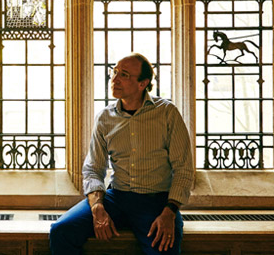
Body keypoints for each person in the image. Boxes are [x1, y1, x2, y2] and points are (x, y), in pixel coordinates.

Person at [50, 53, 194, 254]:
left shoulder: (167, 113)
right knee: (61, 231)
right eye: (115, 72)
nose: (114, 79)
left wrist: (170, 212)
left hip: (157, 203)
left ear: (143, 83)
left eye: (124, 75)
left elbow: (184, 169)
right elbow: (93, 169)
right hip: (116, 198)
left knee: (163, 248)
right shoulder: (105, 117)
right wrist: (97, 206)